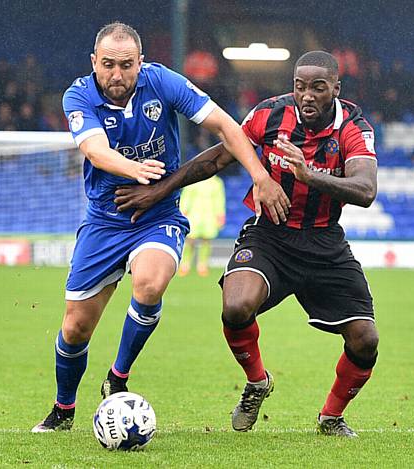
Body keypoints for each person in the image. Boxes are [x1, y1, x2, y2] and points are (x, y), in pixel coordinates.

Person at [31, 22, 288, 433]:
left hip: (159, 216)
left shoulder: (162, 82)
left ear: (141, 63)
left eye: (127, 65)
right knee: (75, 326)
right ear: (94, 62)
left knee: (149, 284)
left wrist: (259, 175)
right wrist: (135, 170)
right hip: (104, 219)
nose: (117, 75)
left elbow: (226, 125)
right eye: (109, 65)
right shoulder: (79, 94)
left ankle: (118, 376)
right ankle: (63, 409)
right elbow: (95, 150)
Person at [113, 51, 379, 437]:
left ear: (336, 89)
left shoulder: (353, 126)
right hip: (269, 235)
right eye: (300, 86)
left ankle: (331, 417)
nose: (307, 96)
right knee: (236, 306)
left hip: (325, 243)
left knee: (365, 340)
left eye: (318, 88)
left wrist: (308, 174)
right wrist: (158, 191)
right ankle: (257, 382)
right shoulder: (268, 115)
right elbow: (217, 159)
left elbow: (366, 189)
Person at [178, 175, 226, 277]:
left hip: (210, 215)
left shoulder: (217, 182)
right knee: (190, 239)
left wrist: (220, 215)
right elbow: (186, 197)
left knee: (206, 240)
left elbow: (220, 199)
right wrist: (183, 212)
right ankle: (185, 264)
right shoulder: (194, 178)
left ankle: (202, 265)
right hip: (193, 214)